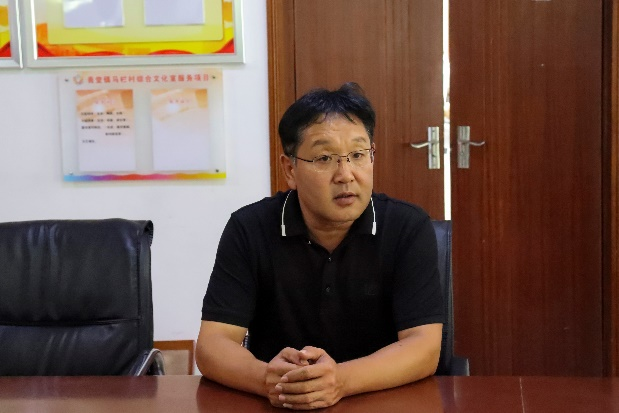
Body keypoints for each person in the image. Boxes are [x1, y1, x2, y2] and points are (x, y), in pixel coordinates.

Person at [196, 82, 444, 410]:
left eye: (358, 155)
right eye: (324, 157)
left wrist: (340, 380)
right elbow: (212, 344)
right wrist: (266, 378)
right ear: (290, 170)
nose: (346, 174)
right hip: (281, 403)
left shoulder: (407, 227)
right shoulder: (249, 229)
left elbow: (424, 346)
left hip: (381, 399)